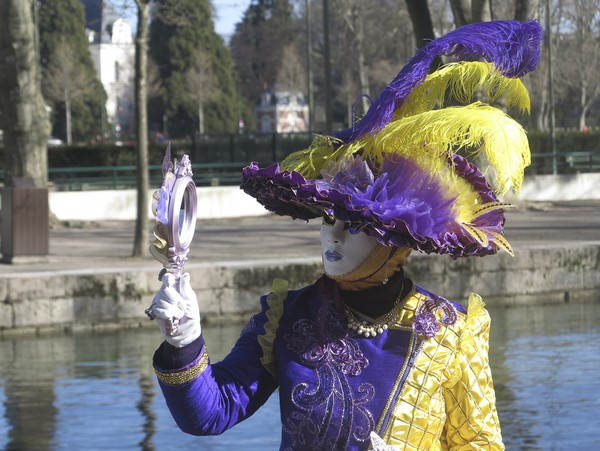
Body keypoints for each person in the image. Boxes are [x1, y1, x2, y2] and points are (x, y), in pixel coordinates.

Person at [147, 20, 542, 450]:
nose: (331, 238)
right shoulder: (288, 317)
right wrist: (184, 341)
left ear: (394, 242)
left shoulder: (450, 333)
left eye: (352, 225)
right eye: (326, 220)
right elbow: (212, 411)